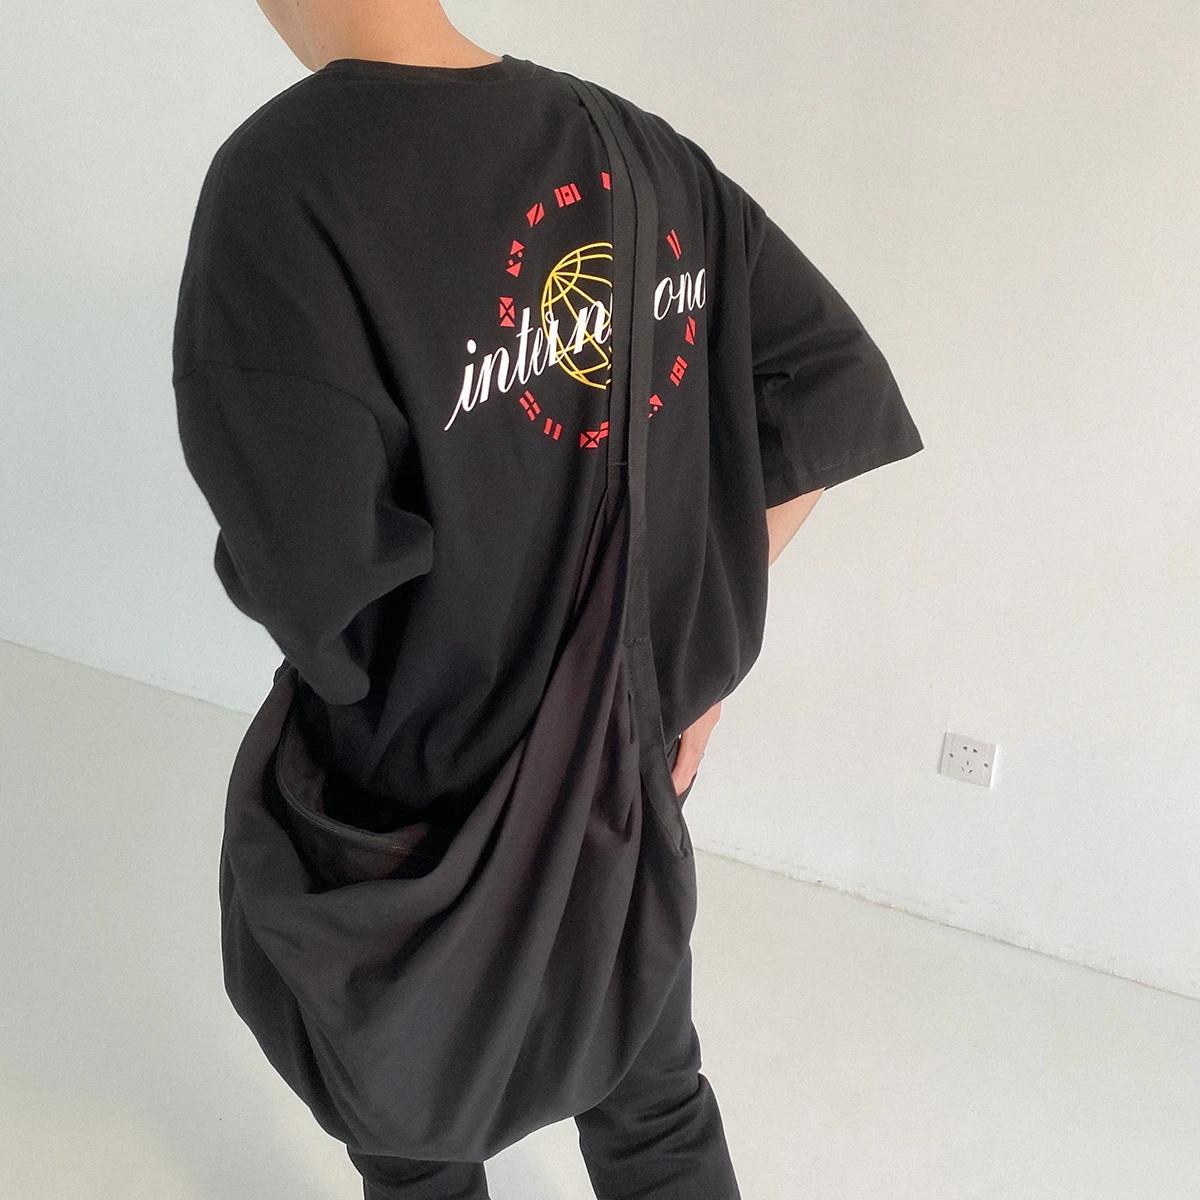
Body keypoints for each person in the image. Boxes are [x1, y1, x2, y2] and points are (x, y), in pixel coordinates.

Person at [172, 2, 924, 1195]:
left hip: (420, 797)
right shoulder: (638, 151)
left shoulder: (287, 181)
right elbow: (828, 391)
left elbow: (310, 581)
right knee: (653, 1101)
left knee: (417, 1142)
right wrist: (680, 658)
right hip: (620, 772)